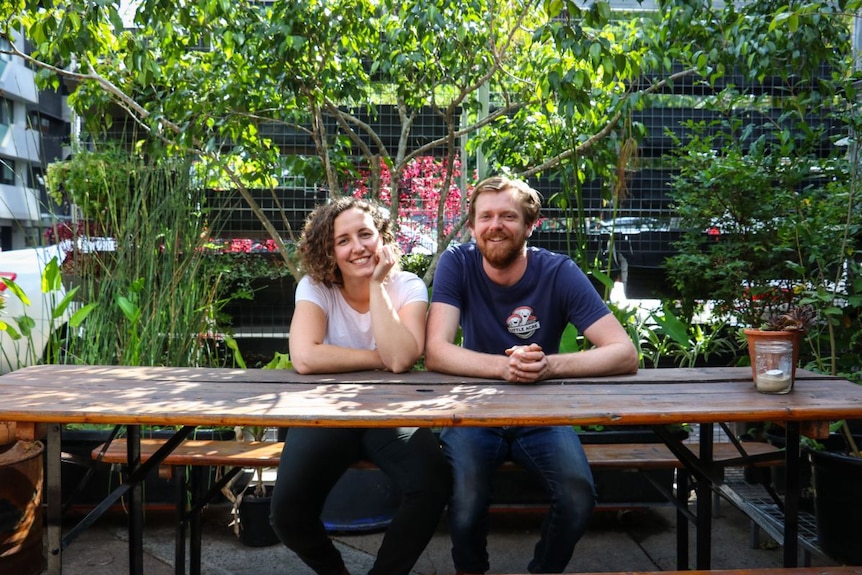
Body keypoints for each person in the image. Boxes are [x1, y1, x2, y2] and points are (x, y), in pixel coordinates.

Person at [425, 175, 639, 575]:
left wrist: (548, 366)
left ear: (530, 225)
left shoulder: (559, 271)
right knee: (467, 499)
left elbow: (624, 353)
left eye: (508, 216)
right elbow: (435, 351)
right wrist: (505, 367)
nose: (495, 225)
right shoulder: (458, 261)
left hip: (541, 412)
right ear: (472, 226)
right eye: (485, 216)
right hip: (474, 411)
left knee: (578, 496)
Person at [270, 197, 451, 575]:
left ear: (381, 238)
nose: (358, 247)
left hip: (390, 414)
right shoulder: (316, 288)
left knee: (431, 485)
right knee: (287, 513)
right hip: (327, 413)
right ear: (329, 251)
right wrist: (378, 358)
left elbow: (402, 359)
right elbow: (305, 357)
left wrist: (377, 285)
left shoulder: (407, 286)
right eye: (343, 240)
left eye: (365, 234)